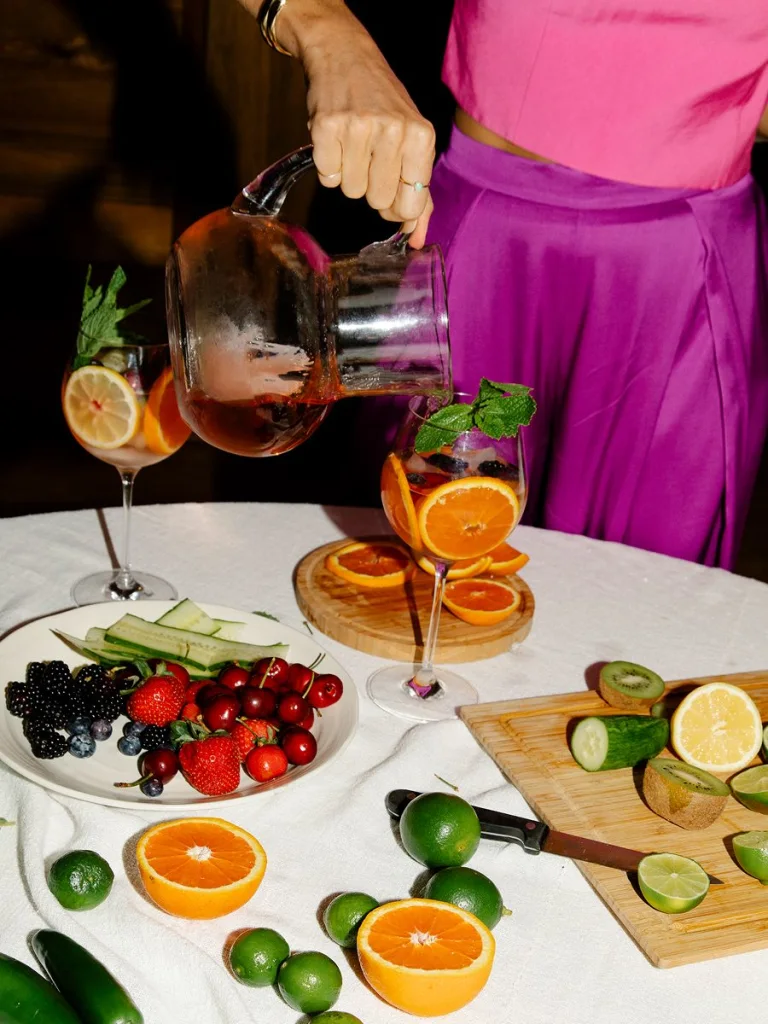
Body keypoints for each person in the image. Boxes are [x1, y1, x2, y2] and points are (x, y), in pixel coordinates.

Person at [242, 0, 768, 569]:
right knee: (409, 558)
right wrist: (326, 34)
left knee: (637, 597)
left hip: (679, 267)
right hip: (481, 237)